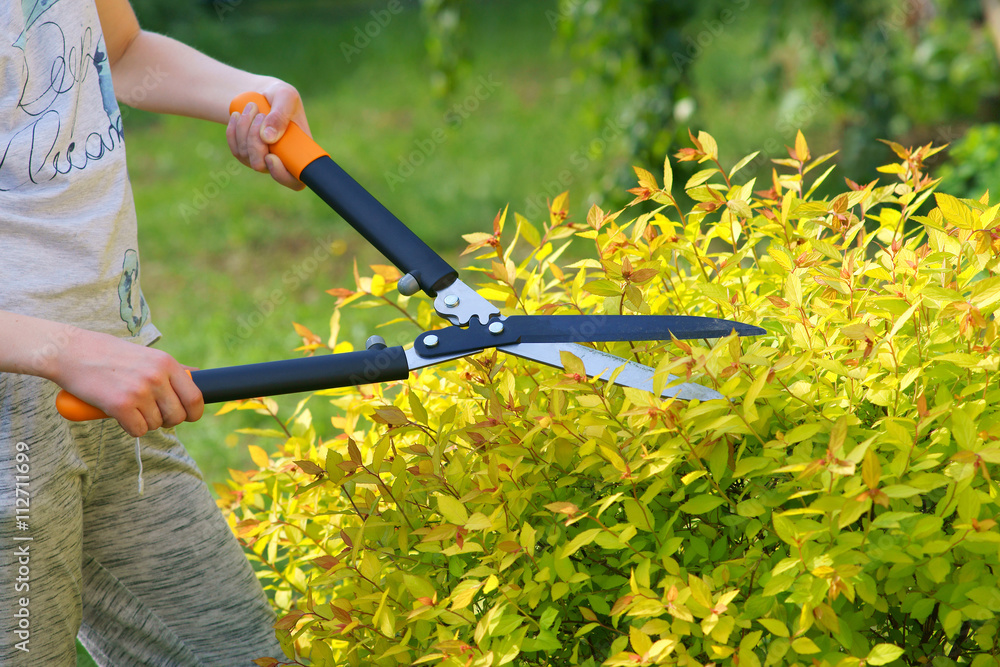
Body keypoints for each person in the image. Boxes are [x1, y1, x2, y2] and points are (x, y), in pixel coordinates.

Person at [1, 0, 312, 663]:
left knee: (234, 652)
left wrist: (248, 96)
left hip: (111, 387)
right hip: (20, 417)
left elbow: (121, 51)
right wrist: (63, 351)